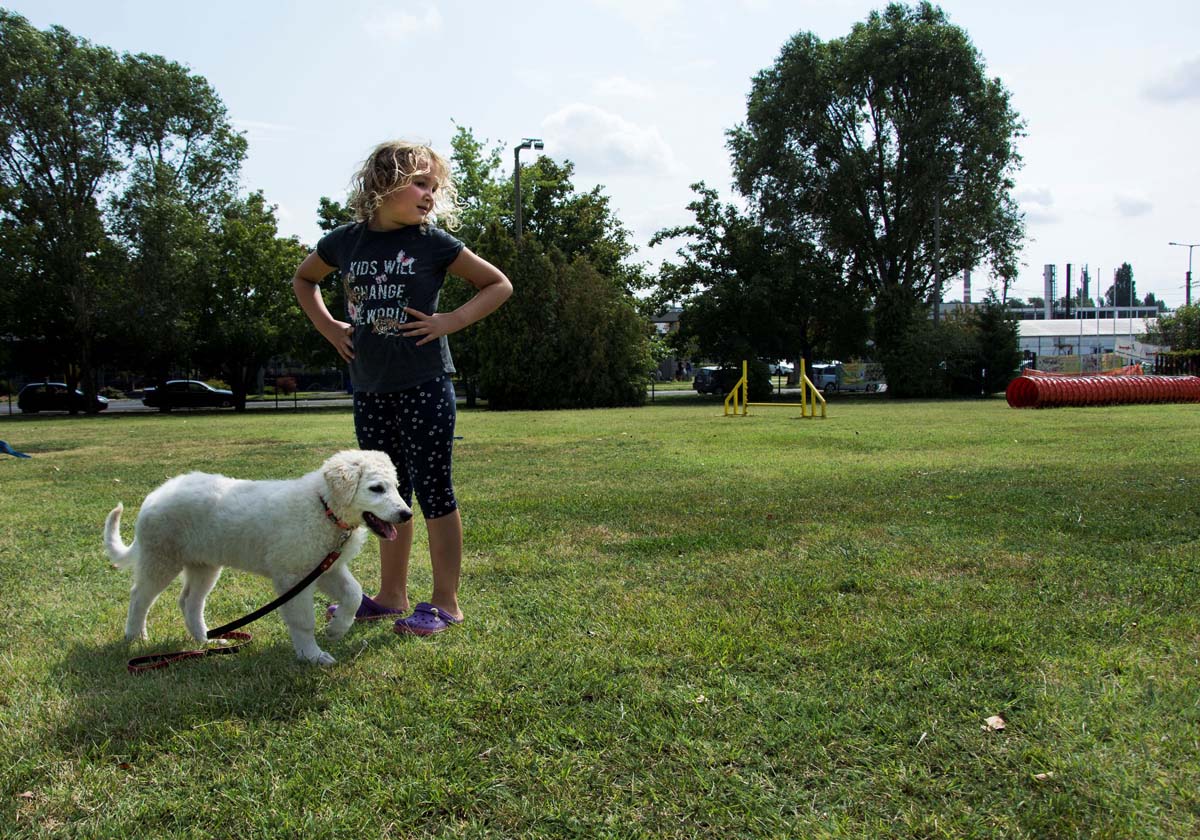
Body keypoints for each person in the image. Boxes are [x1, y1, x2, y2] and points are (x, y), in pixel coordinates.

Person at [292, 140, 512, 636]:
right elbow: (305, 280)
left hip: (424, 384)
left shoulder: (433, 243)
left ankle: (445, 604)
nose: (429, 194)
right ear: (382, 183)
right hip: (370, 387)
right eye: (419, 183)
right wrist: (330, 328)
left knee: (434, 490)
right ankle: (392, 596)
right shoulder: (345, 242)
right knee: (390, 494)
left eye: (434, 186)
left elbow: (497, 284)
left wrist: (448, 320)